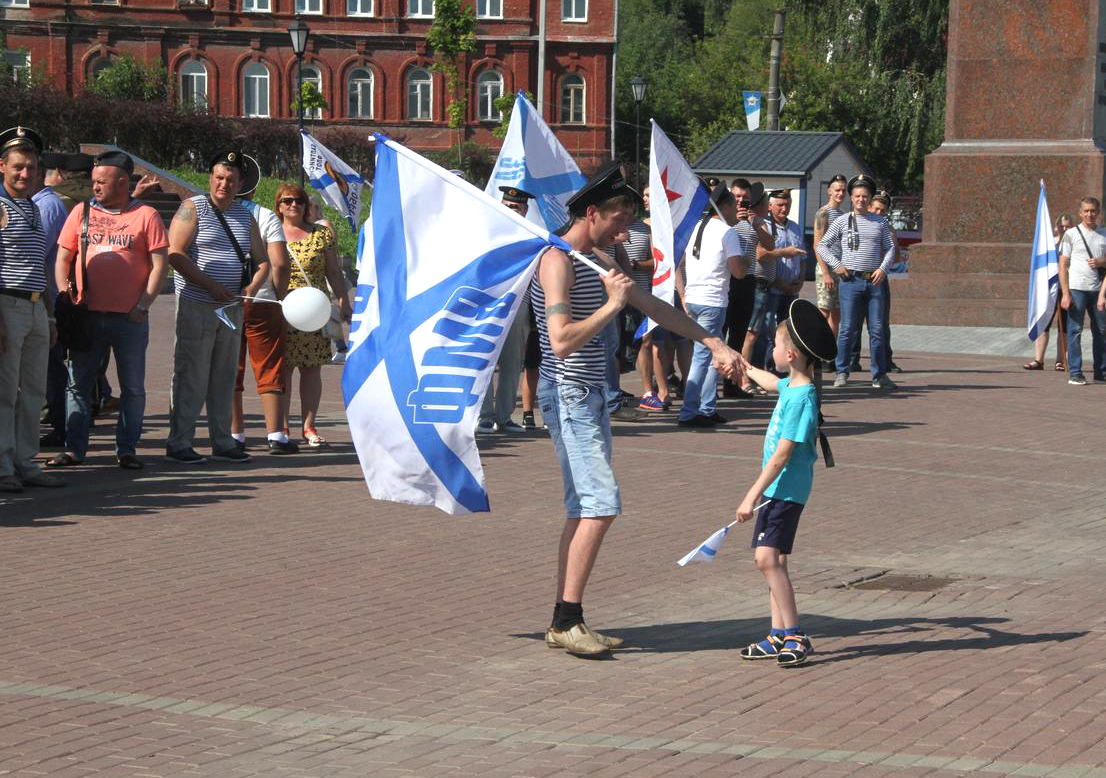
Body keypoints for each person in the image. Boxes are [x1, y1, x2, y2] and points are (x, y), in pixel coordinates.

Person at [532, 162, 742, 656]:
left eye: (629, 219)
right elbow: (560, 342)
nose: (625, 229)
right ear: (591, 213)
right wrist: (611, 306)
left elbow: (654, 307)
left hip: (591, 396)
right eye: (618, 219)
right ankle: (568, 620)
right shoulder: (557, 261)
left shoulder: (599, 258)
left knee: (584, 508)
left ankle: (564, 619)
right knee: (600, 504)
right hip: (568, 394)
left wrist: (712, 341)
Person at [48, 150, 168, 469]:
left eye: (102, 181)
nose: (96, 186)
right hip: (86, 316)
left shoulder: (146, 215)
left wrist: (144, 304)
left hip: (130, 318)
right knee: (78, 384)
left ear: (123, 182)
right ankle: (74, 449)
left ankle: (126, 450)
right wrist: (65, 294)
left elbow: (159, 265)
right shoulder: (82, 211)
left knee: (132, 388)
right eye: (94, 181)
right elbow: (63, 258)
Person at [735, 298, 836, 667]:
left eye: (775, 345)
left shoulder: (801, 399)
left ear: (790, 354)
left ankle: (794, 633)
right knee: (775, 560)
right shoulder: (794, 387)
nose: (772, 349)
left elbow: (781, 456)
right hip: (778, 491)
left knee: (766, 559)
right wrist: (743, 365)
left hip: (784, 491)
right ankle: (777, 634)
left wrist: (751, 495)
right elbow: (771, 381)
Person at [165, 150, 271, 463]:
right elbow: (175, 254)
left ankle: (223, 442)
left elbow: (263, 261)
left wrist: (251, 288)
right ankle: (179, 442)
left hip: (231, 308)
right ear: (210, 178)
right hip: (197, 303)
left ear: (240, 184)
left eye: (231, 179)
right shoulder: (192, 208)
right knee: (191, 374)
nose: (224, 184)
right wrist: (210, 285)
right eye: (219, 178)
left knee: (225, 376)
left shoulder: (245, 216)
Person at [0, 126, 64, 493]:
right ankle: (3, 465)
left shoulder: (32, 207)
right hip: (7, 305)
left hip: (37, 306)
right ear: (2, 167)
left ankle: (26, 461)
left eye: (31, 168)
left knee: (34, 391)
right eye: (18, 167)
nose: (26, 174)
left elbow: (40, 265)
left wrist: (50, 315)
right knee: (5, 392)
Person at [231, 155, 298, 455]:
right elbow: (280, 263)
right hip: (263, 299)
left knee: (230, 368)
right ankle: (276, 435)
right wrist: (278, 295)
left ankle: (235, 434)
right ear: (254, 188)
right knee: (270, 365)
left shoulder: (214, 211)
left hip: (226, 298)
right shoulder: (265, 216)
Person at [275, 183, 351, 444]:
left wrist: (343, 301)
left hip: (314, 311)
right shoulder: (271, 232)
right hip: (282, 310)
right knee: (284, 369)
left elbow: (333, 271)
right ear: (279, 206)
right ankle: (282, 427)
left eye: (299, 200)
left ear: (306, 205)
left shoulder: (320, 234)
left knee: (311, 369)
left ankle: (309, 427)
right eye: (287, 200)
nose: (293, 205)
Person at [816, 174, 897, 389]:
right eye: (857, 196)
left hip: (874, 282)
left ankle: (879, 375)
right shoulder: (842, 221)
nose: (861, 199)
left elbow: (890, 248)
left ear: (870, 198)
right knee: (847, 329)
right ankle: (842, 372)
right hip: (850, 281)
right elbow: (822, 246)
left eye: (865, 196)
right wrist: (836, 265)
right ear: (851, 198)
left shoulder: (880, 222)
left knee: (877, 330)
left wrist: (883, 269)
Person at [676, 183, 746, 428]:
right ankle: (690, 411)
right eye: (734, 205)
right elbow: (738, 272)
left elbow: (678, 262)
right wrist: (746, 261)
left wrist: (683, 294)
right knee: (703, 356)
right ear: (724, 206)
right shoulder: (727, 232)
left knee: (710, 355)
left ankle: (707, 407)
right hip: (712, 300)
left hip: (694, 298)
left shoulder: (696, 227)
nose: (737, 210)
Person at [478, 186, 535, 433]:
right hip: (490, 301)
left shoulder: (531, 234)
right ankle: (484, 416)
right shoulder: (487, 231)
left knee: (512, 362)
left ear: (525, 210)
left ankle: (505, 416)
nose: (511, 210)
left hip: (518, 302)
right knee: (484, 360)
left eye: (516, 207)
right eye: (507, 205)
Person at [741, 187, 806, 371]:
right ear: (770, 206)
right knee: (765, 332)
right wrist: (781, 282)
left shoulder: (795, 227)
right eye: (780, 205)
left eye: (787, 204)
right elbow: (760, 255)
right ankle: (761, 368)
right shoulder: (764, 226)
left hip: (792, 290)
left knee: (787, 332)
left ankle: (780, 370)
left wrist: (801, 280)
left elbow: (803, 257)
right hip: (772, 288)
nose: (784, 209)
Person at [33, 152, 72, 448]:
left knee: (50, 365)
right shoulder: (38, 203)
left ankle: (61, 424)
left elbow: (36, 255)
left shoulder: (45, 206)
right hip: (42, 295)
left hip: (44, 297)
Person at [851, 190, 901, 374]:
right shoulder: (856, 222)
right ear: (869, 206)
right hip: (858, 277)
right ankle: (851, 360)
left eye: (883, 210)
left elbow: (896, 258)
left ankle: (885, 360)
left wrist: (891, 245)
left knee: (880, 324)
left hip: (879, 278)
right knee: (854, 322)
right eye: (876, 208)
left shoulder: (888, 229)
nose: (879, 213)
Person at [1058, 196, 1106, 385]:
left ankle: (1101, 372)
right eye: (1086, 211)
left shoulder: (1104, 234)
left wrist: (1102, 261)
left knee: (1101, 331)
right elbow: (1063, 264)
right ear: (1080, 213)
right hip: (1076, 289)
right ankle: (1075, 373)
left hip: (1098, 290)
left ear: (1098, 212)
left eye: (1093, 211)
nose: (1089, 214)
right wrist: (1065, 293)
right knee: (1075, 331)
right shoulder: (1071, 234)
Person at [1026, 213, 1073, 371]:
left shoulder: (1074, 242)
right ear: (1055, 227)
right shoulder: (1049, 244)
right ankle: (1039, 360)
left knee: (1064, 327)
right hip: (1049, 290)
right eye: (1061, 226)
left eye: (1067, 226)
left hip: (1066, 289)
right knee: (1044, 323)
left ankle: (1060, 361)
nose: (1064, 229)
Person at [813, 175, 847, 336]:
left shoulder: (842, 214)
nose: (841, 193)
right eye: (837, 190)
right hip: (826, 267)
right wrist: (825, 272)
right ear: (830, 191)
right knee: (824, 311)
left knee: (836, 314)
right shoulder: (823, 213)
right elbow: (817, 245)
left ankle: (832, 347)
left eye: (843, 190)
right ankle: (817, 345)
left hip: (840, 268)